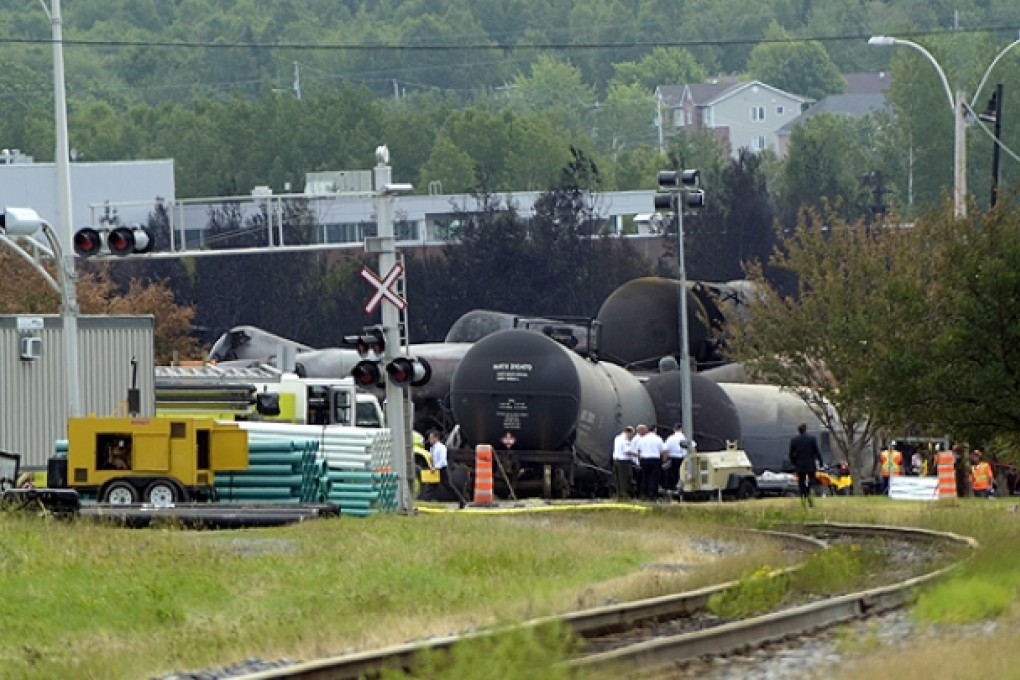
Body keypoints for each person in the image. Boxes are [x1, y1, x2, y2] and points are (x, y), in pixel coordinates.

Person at [428, 430, 467, 509]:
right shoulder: (433, 448)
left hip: (442, 470)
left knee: (449, 486)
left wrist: (435, 467)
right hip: (436, 469)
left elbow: (442, 460)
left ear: (436, 438)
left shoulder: (441, 447)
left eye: (431, 438)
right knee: (431, 486)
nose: (429, 439)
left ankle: (462, 500)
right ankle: (425, 501)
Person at [789, 423, 823, 508]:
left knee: (801, 483)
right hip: (810, 465)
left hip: (800, 465)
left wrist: (795, 462)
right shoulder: (812, 439)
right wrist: (820, 462)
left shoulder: (794, 440)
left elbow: (791, 454)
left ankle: (803, 497)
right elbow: (817, 451)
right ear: (806, 430)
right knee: (812, 481)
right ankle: (809, 494)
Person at [633, 424, 666, 501]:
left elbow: (638, 451)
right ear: (655, 430)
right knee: (654, 478)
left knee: (644, 478)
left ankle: (643, 495)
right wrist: (663, 461)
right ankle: (652, 495)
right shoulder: (658, 439)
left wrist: (638, 461)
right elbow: (664, 450)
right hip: (655, 459)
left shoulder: (642, 439)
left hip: (644, 459)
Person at [611, 426, 637, 500]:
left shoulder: (617, 437)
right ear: (629, 432)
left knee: (618, 480)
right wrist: (637, 454)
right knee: (625, 479)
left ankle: (619, 494)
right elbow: (627, 451)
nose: (632, 436)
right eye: (632, 434)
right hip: (623, 462)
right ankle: (624, 495)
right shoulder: (626, 439)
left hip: (616, 460)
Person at [663, 423, 690, 493]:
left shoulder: (670, 438)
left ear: (674, 429)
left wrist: (664, 460)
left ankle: (672, 489)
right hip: (683, 458)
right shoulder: (685, 438)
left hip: (672, 458)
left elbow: (665, 449)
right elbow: (692, 447)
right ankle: (682, 488)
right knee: (682, 474)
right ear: (681, 429)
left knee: (673, 474)